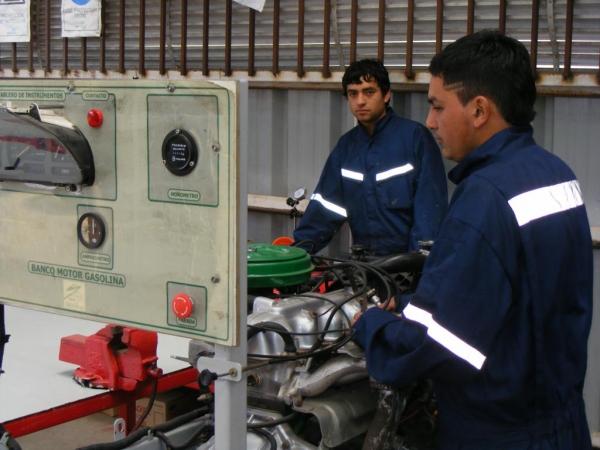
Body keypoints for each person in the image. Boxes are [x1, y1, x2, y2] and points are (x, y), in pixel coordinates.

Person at [351, 30, 593, 449]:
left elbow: (436, 344)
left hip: (496, 432)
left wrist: (371, 326)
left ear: (479, 110)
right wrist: (408, 305)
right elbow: (514, 298)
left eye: (437, 106)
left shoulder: (485, 196)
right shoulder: (555, 173)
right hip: (560, 420)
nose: (430, 122)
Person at [292, 59, 448, 257]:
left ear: (386, 94)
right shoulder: (346, 147)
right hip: (365, 268)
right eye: (353, 94)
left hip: (410, 269)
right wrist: (295, 254)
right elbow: (325, 209)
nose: (360, 101)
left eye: (369, 92)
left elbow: (430, 211)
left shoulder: (415, 138)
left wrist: (417, 262)